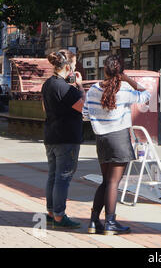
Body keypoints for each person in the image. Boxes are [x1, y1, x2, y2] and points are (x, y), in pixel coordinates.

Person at [83, 54, 151, 235]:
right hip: (119, 138)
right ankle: (110, 222)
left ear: (103, 70)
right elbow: (146, 94)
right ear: (120, 72)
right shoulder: (124, 91)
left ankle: (93, 221)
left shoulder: (92, 90)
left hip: (101, 139)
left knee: (105, 181)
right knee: (113, 183)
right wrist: (128, 78)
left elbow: (85, 114)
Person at [42, 49, 85, 229]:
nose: (75, 68)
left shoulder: (48, 84)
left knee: (53, 176)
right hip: (67, 137)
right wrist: (80, 86)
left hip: (51, 135)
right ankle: (60, 216)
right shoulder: (67, 88)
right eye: (74, 64)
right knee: (63, 178)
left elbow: (45, 109)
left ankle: (52, 213)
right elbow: (83, 107)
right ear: (67, 66)